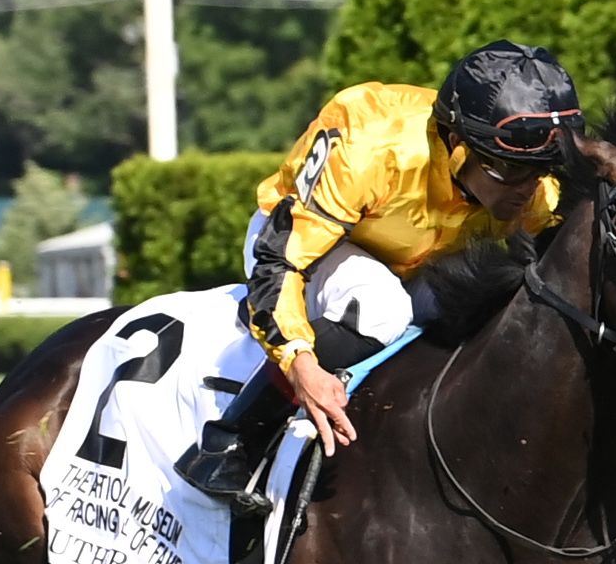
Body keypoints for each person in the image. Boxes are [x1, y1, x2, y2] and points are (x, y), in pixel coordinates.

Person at [176, 41, 582, 509]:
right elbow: (282, 260)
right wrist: (300, 364)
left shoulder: (531, 186)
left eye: (542, 171)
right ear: (455, 145)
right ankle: (231, 441)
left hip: (411, 264)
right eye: (510, 170)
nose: (529, 190)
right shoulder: (370, 141)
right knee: (380, 307)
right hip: (301, 244)